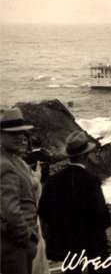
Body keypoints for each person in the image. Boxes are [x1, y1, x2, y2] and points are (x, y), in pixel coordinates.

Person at [39, 131, 111, 274]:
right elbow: (102, 215)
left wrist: (60, 226)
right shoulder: (92, 180)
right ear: (85, 155)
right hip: (92, 241)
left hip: (66, 241)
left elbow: (44, 211)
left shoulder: (53, 180)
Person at [0, 108, 39, 274]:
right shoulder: (5, 165)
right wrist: (27, 239)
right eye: (14, 134)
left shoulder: (14, 160)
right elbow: (10, 212)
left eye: (23, 133)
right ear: (1, 136)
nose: (21, 138)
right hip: (14, 245)